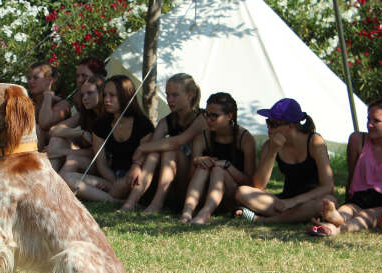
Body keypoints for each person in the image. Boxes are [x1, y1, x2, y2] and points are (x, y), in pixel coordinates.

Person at [310, 98, 382, 236]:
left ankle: (336, 229)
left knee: (367, 216)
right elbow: (352, 174)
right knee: (347, 209)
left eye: (376, 121)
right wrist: (348, 196)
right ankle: (333, 219)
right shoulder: (358, 140)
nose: (369, 124)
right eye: (368, 119)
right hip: (360, 196)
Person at [234, 98, 335, 223]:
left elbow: (328, 186)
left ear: (291, 125)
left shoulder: (315, 142)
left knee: (327, 201)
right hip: (284, 201)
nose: (269, 128)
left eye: (274, 124)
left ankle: (262, 220)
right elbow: (258, 185)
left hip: (311, 199)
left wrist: (293, 202)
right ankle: (296, 217)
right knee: (242, 192)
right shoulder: (270, 145)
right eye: (268, 122)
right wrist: (272, 152)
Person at [61, 75, 154, 203]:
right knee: (66, 178)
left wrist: (118, 185)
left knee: (120, 185)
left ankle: (103, 196)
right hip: (111, 178)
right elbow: (102, 164)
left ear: (125, 95)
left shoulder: (143, 124)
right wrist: (112, 183)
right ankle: (115, 201)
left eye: (112, 95)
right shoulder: (101, 124)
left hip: (134, 179)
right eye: (104, 95)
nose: (106, 99)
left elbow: (146, 160)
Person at [121, 73, 205, 212]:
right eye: (167, 95)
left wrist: (142, 147)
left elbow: (178, 141)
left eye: (175, 95)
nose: (169, 100)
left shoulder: (202, 118)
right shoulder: (167, 121)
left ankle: (156, 203)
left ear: (190, 96)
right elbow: (152, 147)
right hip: (172, 182)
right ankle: (131, 202)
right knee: (155, 151)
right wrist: (136, 164)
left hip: (194, 181)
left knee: (168, 147)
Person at [179, 92, 256, 224]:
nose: (208, 120)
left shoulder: (245, 139)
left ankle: (205, 213)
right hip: (202, 195)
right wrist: (197, 161)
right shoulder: (203, 137)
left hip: (232, 197)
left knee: (218, 170)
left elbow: (250, 183)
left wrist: (227, 165)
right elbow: (190, 178)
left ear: (229, 116)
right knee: (203, 167)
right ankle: (187, 212)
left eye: (214, 116)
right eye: (206, 115)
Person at [46, 57, 107, 171]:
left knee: (70, 158)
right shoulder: (86, 111)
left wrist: (60, 152)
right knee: (57, 140)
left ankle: (51, 183)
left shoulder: (109, 115)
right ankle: (49, 181)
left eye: (84, 75)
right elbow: (54, 130)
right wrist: (81, 133)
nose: (79, 80)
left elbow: (98, 153)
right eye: (77, 76)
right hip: (85, 156)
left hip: (101, 163)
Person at [26, 61, 71, 149]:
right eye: (29, 78)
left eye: (36, 78)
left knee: (37, 129)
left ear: (50, 80)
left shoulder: (63, 105)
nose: (30, 81)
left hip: (57, 152)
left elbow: (44, 123)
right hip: (35, 152)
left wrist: (47, 96)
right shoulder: (29, 103)